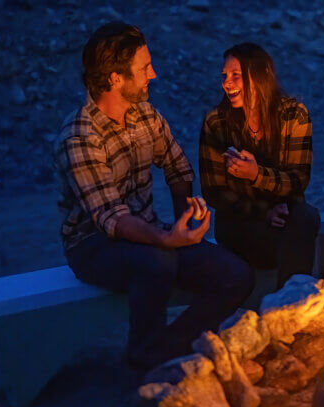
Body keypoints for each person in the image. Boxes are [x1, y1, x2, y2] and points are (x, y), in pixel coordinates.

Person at [53, 22, 253, 370]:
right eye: (144, 68)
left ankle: (169, 348)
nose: (154, 74)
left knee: (236, 275)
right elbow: (110, 219)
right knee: (157, 261)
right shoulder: (79, 137)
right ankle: (146, 355)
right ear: (115, 78)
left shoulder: (145, 115)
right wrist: (166, 239)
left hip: (150, 235)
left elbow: (177, 166)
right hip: (92, 245)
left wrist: (184, 219)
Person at [199, 43, 320, 290]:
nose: (227, 83)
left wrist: (256, 175)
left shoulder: (293, 115)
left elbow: (298, 180)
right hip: (240, 221)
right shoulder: (217, 122)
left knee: (306, 217)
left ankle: (292, 303)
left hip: (285, 217)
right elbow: (214, 192)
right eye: (224, 76)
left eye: (236, 76)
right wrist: (263, 211)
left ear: (260, 75)